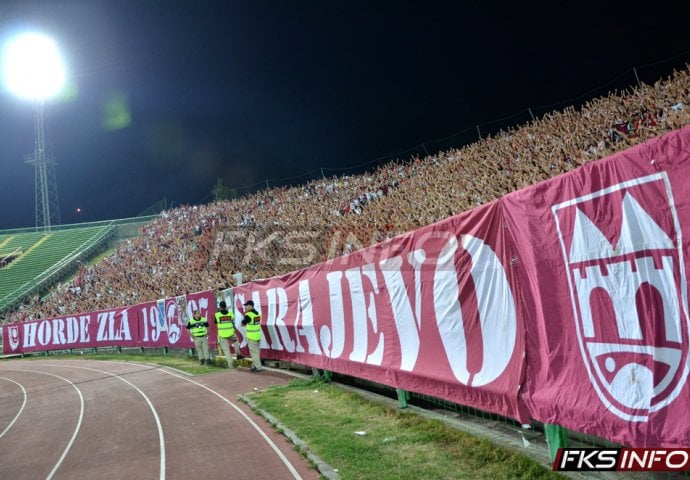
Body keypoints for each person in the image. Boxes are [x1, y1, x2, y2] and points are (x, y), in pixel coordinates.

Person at [214, 300, 239, 369]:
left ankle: (230, 365)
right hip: (231, 333)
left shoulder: (217, 315)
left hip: (222, 335)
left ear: (220, 307)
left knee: (226, 350)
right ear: (226, 306)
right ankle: (238, 354)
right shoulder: (230, 314)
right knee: (236, 342)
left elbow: (216, 323)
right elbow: (232, 322)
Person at [241, 300, 262, 372]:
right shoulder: (257, 314)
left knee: (254, 352)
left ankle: (258, 367)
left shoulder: (248, 315)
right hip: (258, 336)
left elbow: (242, 324)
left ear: (250, 306)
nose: (245, 307)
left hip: (251, 336)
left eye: (246, 306)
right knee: (256, 352)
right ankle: (254, 365)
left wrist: (244, 323)